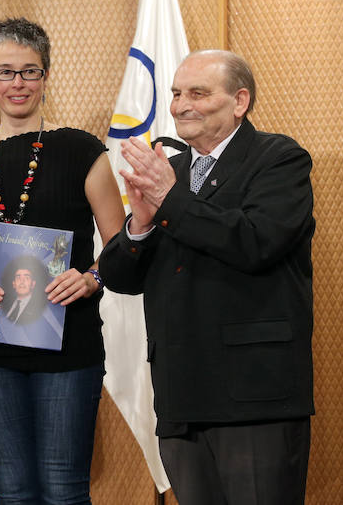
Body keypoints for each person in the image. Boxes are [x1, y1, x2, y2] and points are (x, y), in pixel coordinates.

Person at [99, 50, 315, 504]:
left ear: (240, 101)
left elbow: (255, 242)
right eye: (177, 93)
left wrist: (169, 199)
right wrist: (139, 225)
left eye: (198, 93)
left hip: (254, 397)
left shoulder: (279, 159)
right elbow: (118, 277)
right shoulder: (169, 172)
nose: (181, 105)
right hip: (180, 395)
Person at [0, 18, 125, 504]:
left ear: (46, 76)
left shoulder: (83, 151)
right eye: (5, 72)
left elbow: (120, 247)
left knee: (64, 490)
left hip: (69, 344)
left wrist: (90, 278)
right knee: (15, 492)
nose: (18, 83)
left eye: (30, 71)